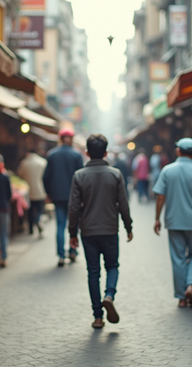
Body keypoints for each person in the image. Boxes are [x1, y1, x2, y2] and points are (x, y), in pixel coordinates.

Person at [68, 134, 133, 329]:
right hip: (110, 229)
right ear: (105, 152)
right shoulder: (115, 174)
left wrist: (72, 232)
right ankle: (109, 295)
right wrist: (128, 226)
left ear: (87, 153)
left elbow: (73, 207)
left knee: (93, 272)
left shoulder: (79, 175)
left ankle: (97, 316)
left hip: (88, 231)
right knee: (112, 265)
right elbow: (123, 203)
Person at [152, 138, 192, 308]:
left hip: (174, 222)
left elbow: (160, 196)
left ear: (177, 151)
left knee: (178, 258)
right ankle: (190, 285)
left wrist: (157, 218)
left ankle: (181, 297)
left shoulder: (167, 171)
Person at [43, 128, 84, 267]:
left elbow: (45, 177)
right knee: (73, 225)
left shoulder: (52, 155)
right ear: (71, 139)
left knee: (60, 225)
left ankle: (61, 255)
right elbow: (82, 177)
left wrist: (49, 193)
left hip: (57, 196)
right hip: (74, 196)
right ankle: (72, 252)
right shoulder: (76, 155)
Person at [17, 149, 47, 236]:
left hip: (28, 190)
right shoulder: (43, 162)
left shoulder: (24, 163)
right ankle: (38, 221)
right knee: (39, 209)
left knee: (30, 210)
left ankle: (31, 229)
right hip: (40, 189)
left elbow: (20, 174)